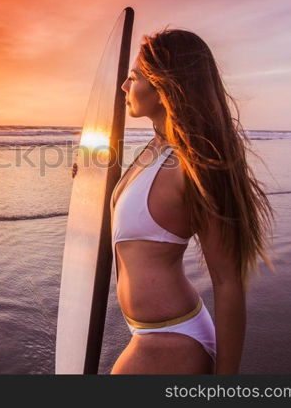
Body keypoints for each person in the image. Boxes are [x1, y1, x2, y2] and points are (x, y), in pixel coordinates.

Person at [109, 28, 276, 374]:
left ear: (163, 87)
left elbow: (228, 282)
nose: (124, 87)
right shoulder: (154, 151)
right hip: (147, 331)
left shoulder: (193, 168)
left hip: (171, 338)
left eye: (133, 77)